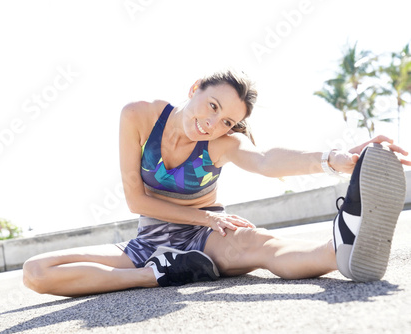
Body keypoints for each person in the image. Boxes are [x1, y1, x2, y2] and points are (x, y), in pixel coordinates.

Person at [23, 69, 410, 296]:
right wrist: (188, 235)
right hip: (149, 243)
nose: (212, 124)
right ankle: (159, 274)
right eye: (212, 106)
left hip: (205, 237)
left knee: (262, 247)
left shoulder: (222, 144)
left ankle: (341, 247)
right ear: (194, 90)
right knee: (36, 272)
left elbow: (265, 160)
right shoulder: (139, 117)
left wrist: (334, 160)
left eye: (226, 120)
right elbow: (136, 200)